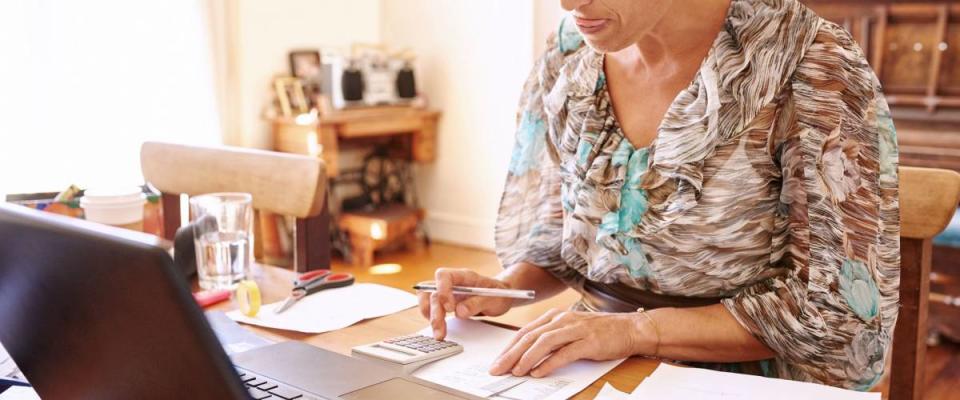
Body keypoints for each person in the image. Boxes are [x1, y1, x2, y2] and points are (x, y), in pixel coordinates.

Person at [418, 0, 900, 390]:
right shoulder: (570, 54)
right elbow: (569, 236)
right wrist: (505, 288)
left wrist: (633, 331)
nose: (569, 4)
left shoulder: (807, 62)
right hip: (591, 365)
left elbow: (836, 312)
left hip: (741, 381)